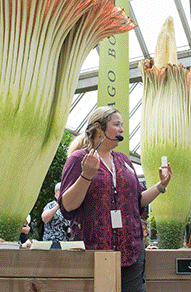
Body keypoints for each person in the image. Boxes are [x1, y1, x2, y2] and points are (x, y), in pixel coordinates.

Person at [59, 106, 172, 292]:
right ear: (98, 127)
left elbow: (138, 201)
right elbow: (68, 206)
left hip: (130, 250)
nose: (122, 130)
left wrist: (161, 186)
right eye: (116, 124)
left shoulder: (124, 161)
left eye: (122, 125)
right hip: (92, 251)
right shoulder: (79, 159)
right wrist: (86, 175)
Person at [41, 182, 70, 247]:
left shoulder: (68, 206)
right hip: (51, 243)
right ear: (57, 192)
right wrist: (58, 205)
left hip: (65, 244)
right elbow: (45, 218)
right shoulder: (51, 205)